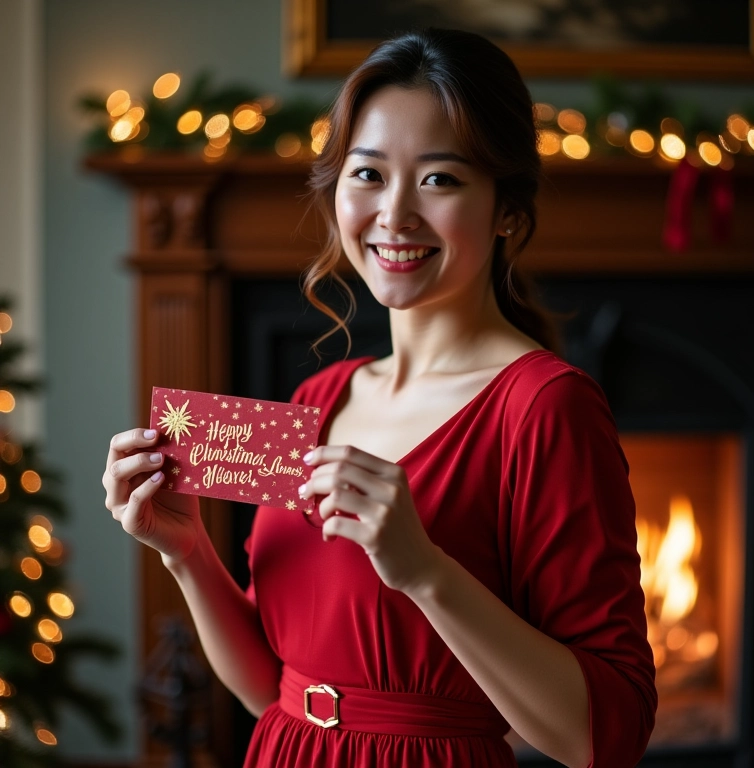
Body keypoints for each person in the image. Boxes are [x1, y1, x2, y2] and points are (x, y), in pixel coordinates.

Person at [103, 28, 656, 768]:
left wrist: (425, 572)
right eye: (368, 174)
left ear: (506, 213)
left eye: (440, 179)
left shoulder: (547, 406)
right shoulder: (320, 397)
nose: (394, 214)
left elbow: (606, 736)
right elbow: (274, 691)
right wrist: (187, 551)